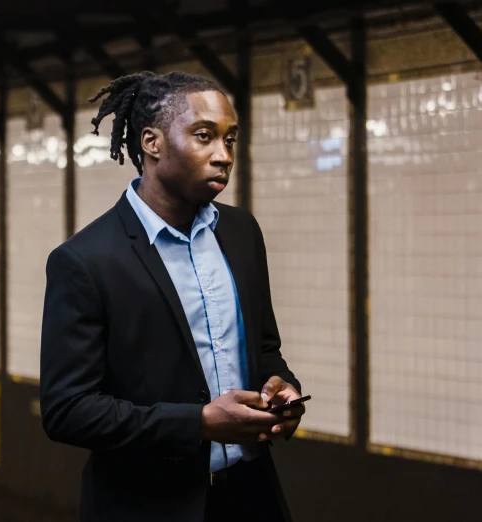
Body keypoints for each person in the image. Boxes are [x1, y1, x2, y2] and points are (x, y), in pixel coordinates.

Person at [39, 71, 306, 522]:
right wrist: (198, 423)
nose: (223, 156)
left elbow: (264, 348)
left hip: (250, 494)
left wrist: (281, 388)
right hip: (147, 506)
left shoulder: (241, 232)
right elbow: (67, 410)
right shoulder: (86, 261)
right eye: (204, 136)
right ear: (152, 143)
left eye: (231, 139)